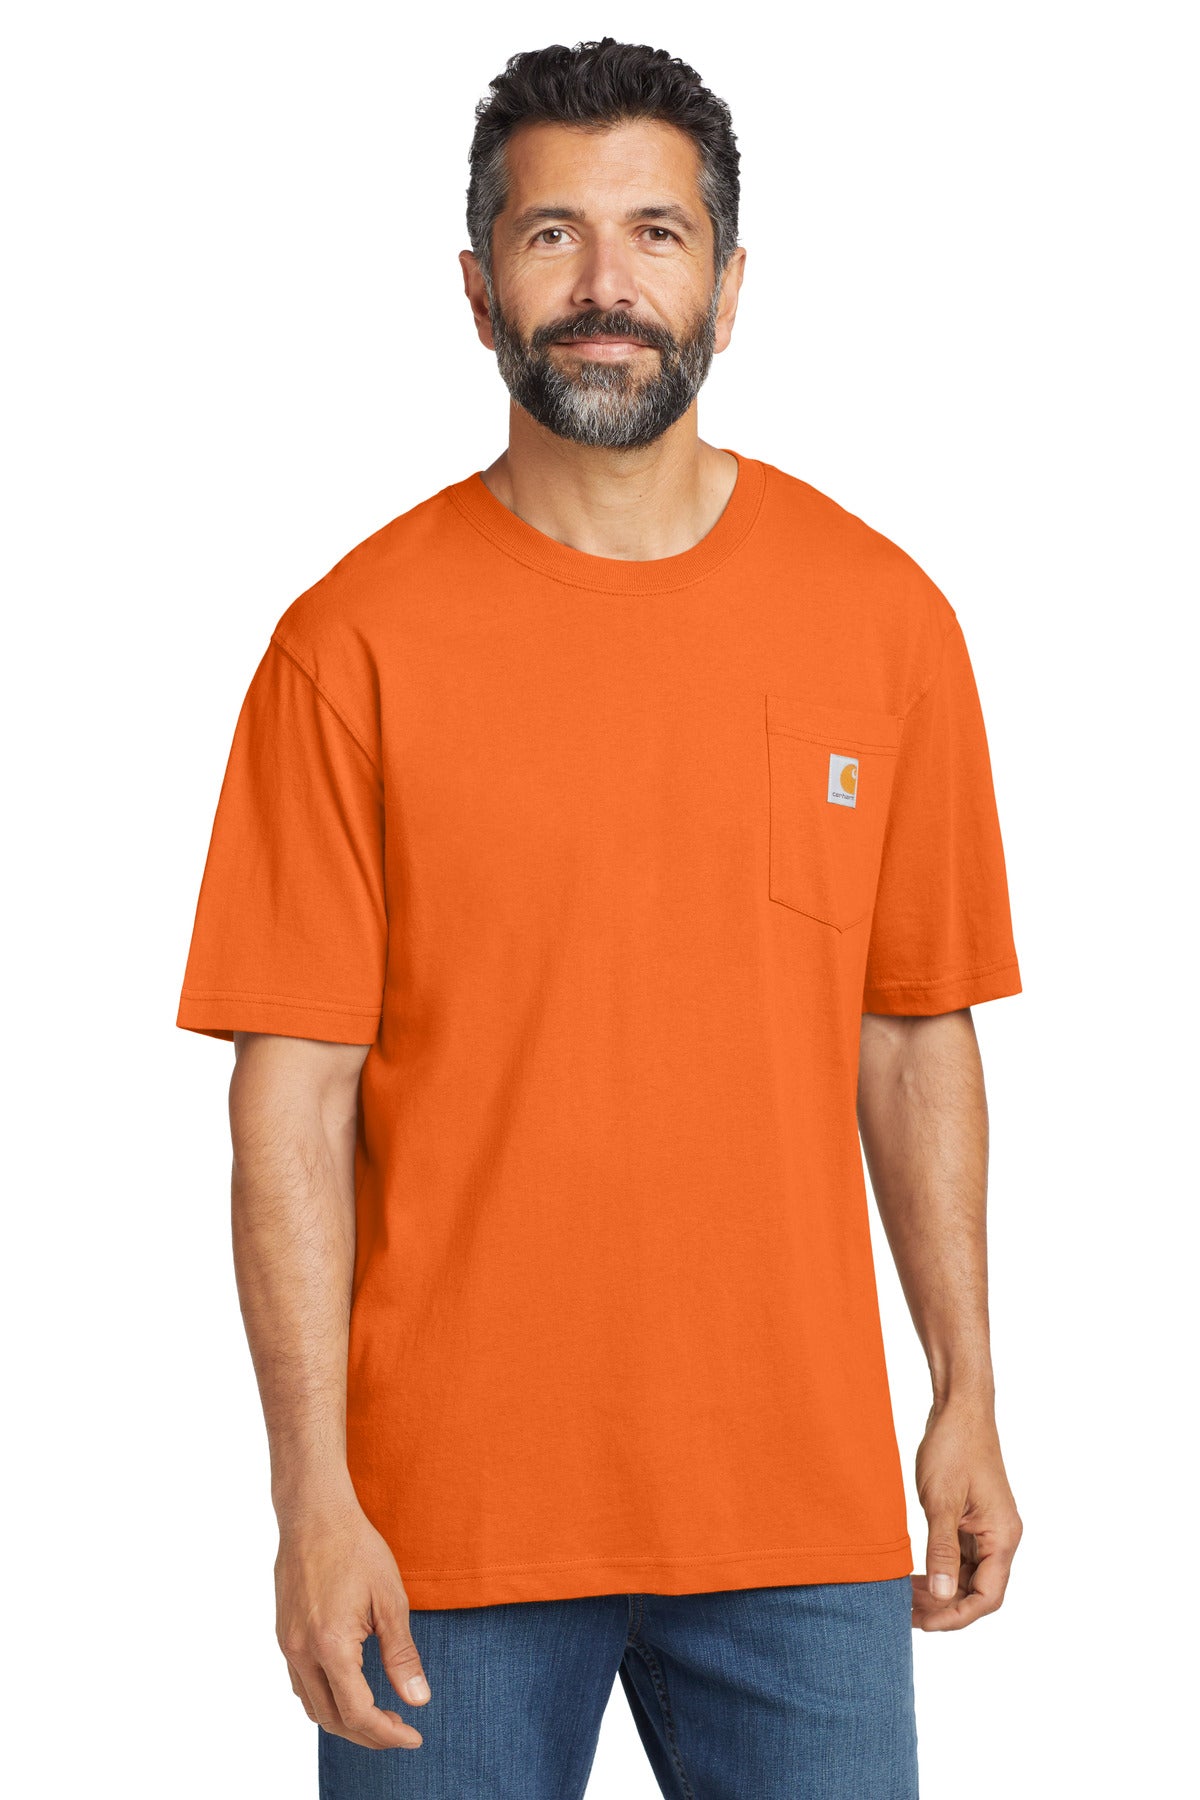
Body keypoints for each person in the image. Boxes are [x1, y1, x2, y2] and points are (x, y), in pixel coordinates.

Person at [176, 36, 1024, 1800]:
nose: (605, 286)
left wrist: (966, 1389)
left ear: (731, 282)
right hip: (443, 1528)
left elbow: (910, 1031)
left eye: (656, 233)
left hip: (800, 1516)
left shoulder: (884, 621)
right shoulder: (349, 646)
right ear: (477, 288)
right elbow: (289, 1105)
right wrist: (309, 1495)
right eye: (552, 235)